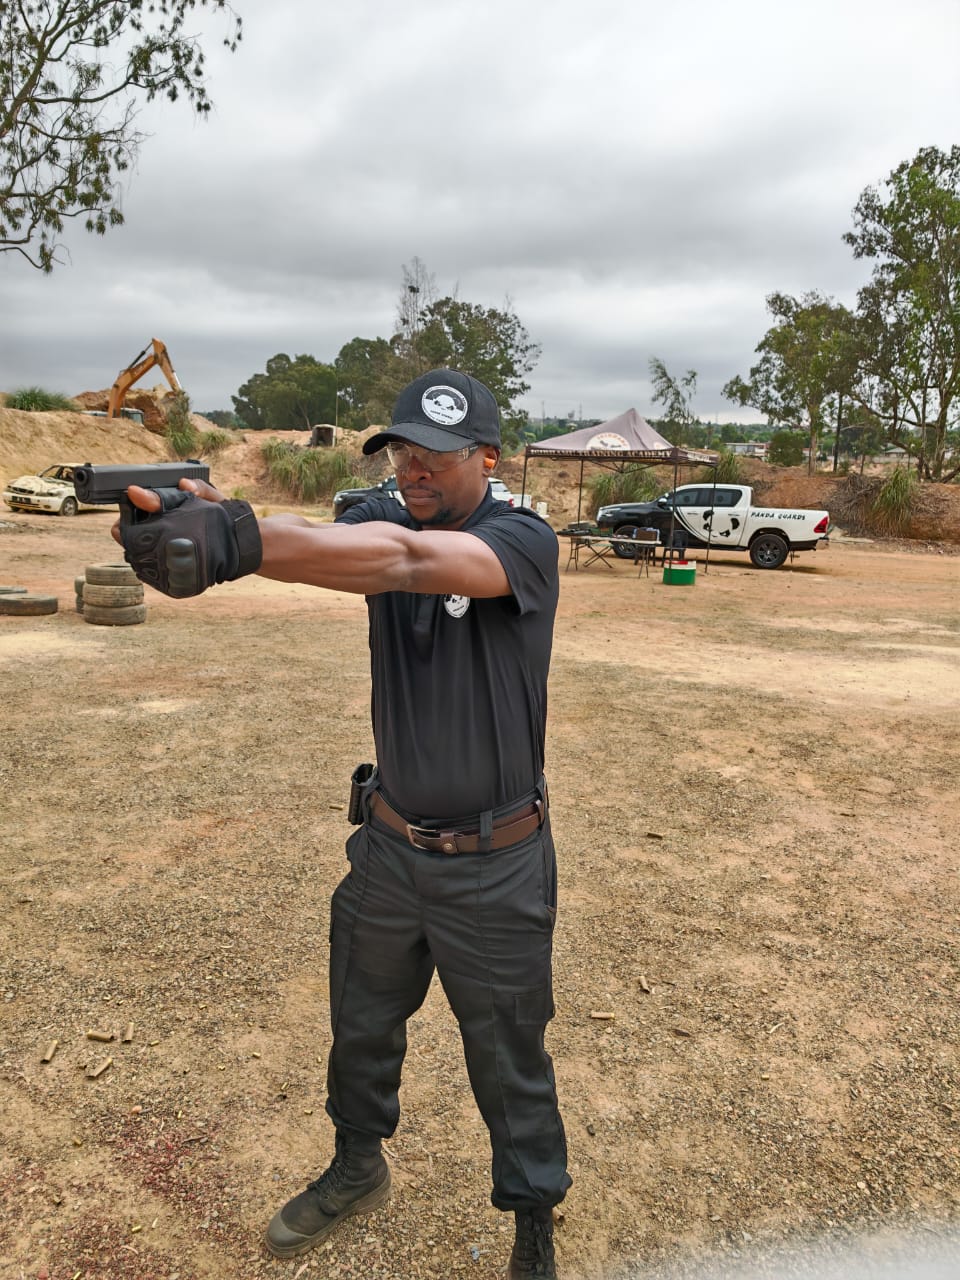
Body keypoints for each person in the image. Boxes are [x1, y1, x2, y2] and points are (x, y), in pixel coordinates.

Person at [113, 368, 571, 1279]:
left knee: (508, 1052)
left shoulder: (522, 541)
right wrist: (210, 513)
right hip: (389, 850)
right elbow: (323, 539)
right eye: (403, 450)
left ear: (487, 457)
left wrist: (235, 540)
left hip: (496, 859)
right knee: (360, 1026)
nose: (415, 469)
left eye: (437, 455)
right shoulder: (375, 518)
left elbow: (408, 563)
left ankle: (532, 1214)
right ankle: (358, 1166)